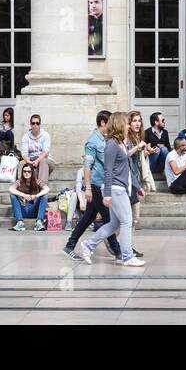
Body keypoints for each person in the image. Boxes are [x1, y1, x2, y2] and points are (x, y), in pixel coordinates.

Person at [79, 112, 145, 267]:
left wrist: (137, 186)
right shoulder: (111, 145)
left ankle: (88, 245)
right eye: (126, 123)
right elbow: (108, 171)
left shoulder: (121, 143)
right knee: (127, 221)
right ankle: (128, 256)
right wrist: (107, 194)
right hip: (115, 189)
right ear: (119, 124)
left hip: (121, 187)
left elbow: (125, 164)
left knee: (114, 224)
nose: (129, 125)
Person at [63, 110, 123, 261]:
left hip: (102, 184)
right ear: (103, 123)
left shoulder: (105, 139)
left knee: (88, 218)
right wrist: (88, 188)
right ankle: (117, 251)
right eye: (110, 123)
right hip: (96, 185)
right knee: (109, 220)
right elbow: (87, 166)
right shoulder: (92, 141)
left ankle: (69, 245)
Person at [9, 161, 49, 231]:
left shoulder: (37, 181)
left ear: (32, 172)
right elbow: (11, 189)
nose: (26, 173)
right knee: (12, 195)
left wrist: (36, 196)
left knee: (44, 196)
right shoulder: (19, 181)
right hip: (23, 209)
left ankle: (39, 222)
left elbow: (47, 189)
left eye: (29, 171)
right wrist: (24, 195)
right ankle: (20, 222)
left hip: (34, 209)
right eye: (24, 171)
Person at [20, 114, 52, 185]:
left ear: (40, 124)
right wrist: (28, 162)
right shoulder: (26, 136)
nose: (35, 125)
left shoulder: (45, 135)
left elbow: (45, 152)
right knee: (22, 163)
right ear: (30, 124)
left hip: (45, 159)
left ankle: (42, 187)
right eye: (33, 123)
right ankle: (21, 186)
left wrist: (37, 161)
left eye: (37, 123)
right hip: (31, 159)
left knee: (43, 162)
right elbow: (24, 153)